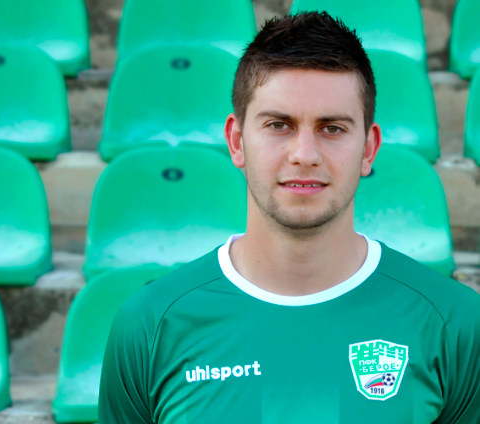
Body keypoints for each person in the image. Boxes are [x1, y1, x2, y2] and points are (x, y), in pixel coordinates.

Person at [99, 12, 480, 423]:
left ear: (369, 149)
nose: (304, 154)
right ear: (237, 141)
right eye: (279, 125)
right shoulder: (151, 324)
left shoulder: (453, 322)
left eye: (332, 128)